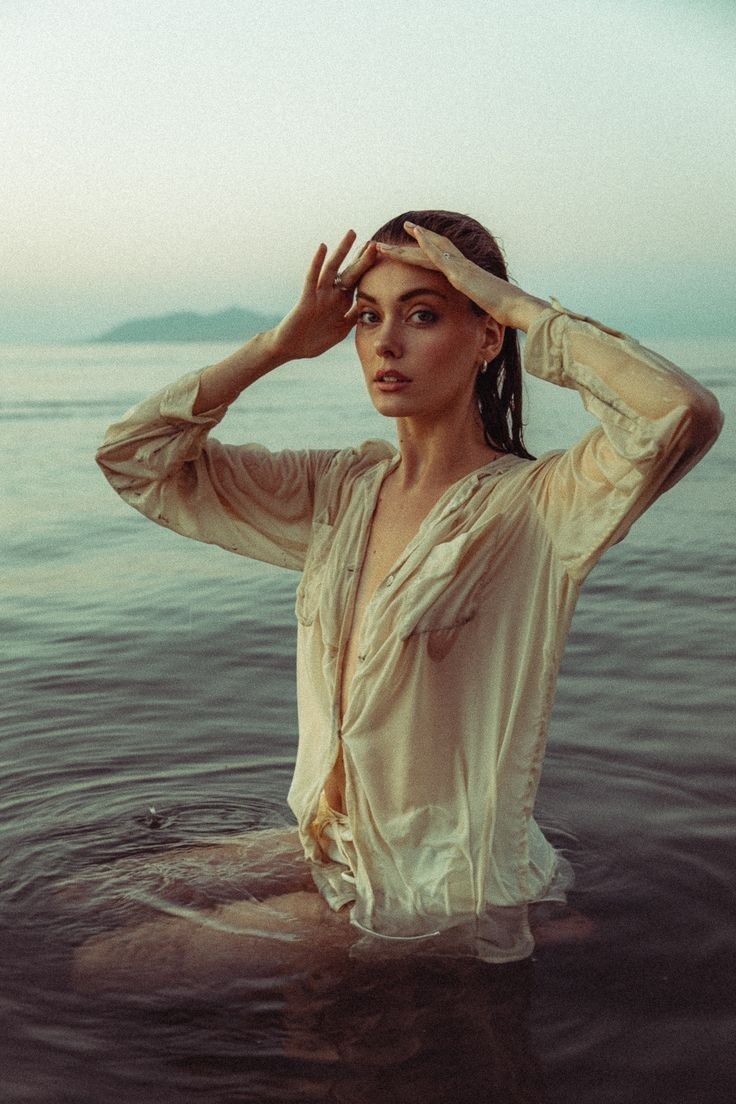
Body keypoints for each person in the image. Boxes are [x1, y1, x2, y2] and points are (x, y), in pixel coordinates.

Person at [81, 211, 722, 989]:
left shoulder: (540, 508)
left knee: (104, 966)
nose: (385, 344)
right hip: (335, 842)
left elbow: (678, 413)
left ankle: (502, 929)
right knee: (89, 894)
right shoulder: (338, 491)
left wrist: (517, 305)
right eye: (368, 317)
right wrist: (277, 346)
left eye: (424, 314)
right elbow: (134, 460)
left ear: (486, 339)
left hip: (434, 889)